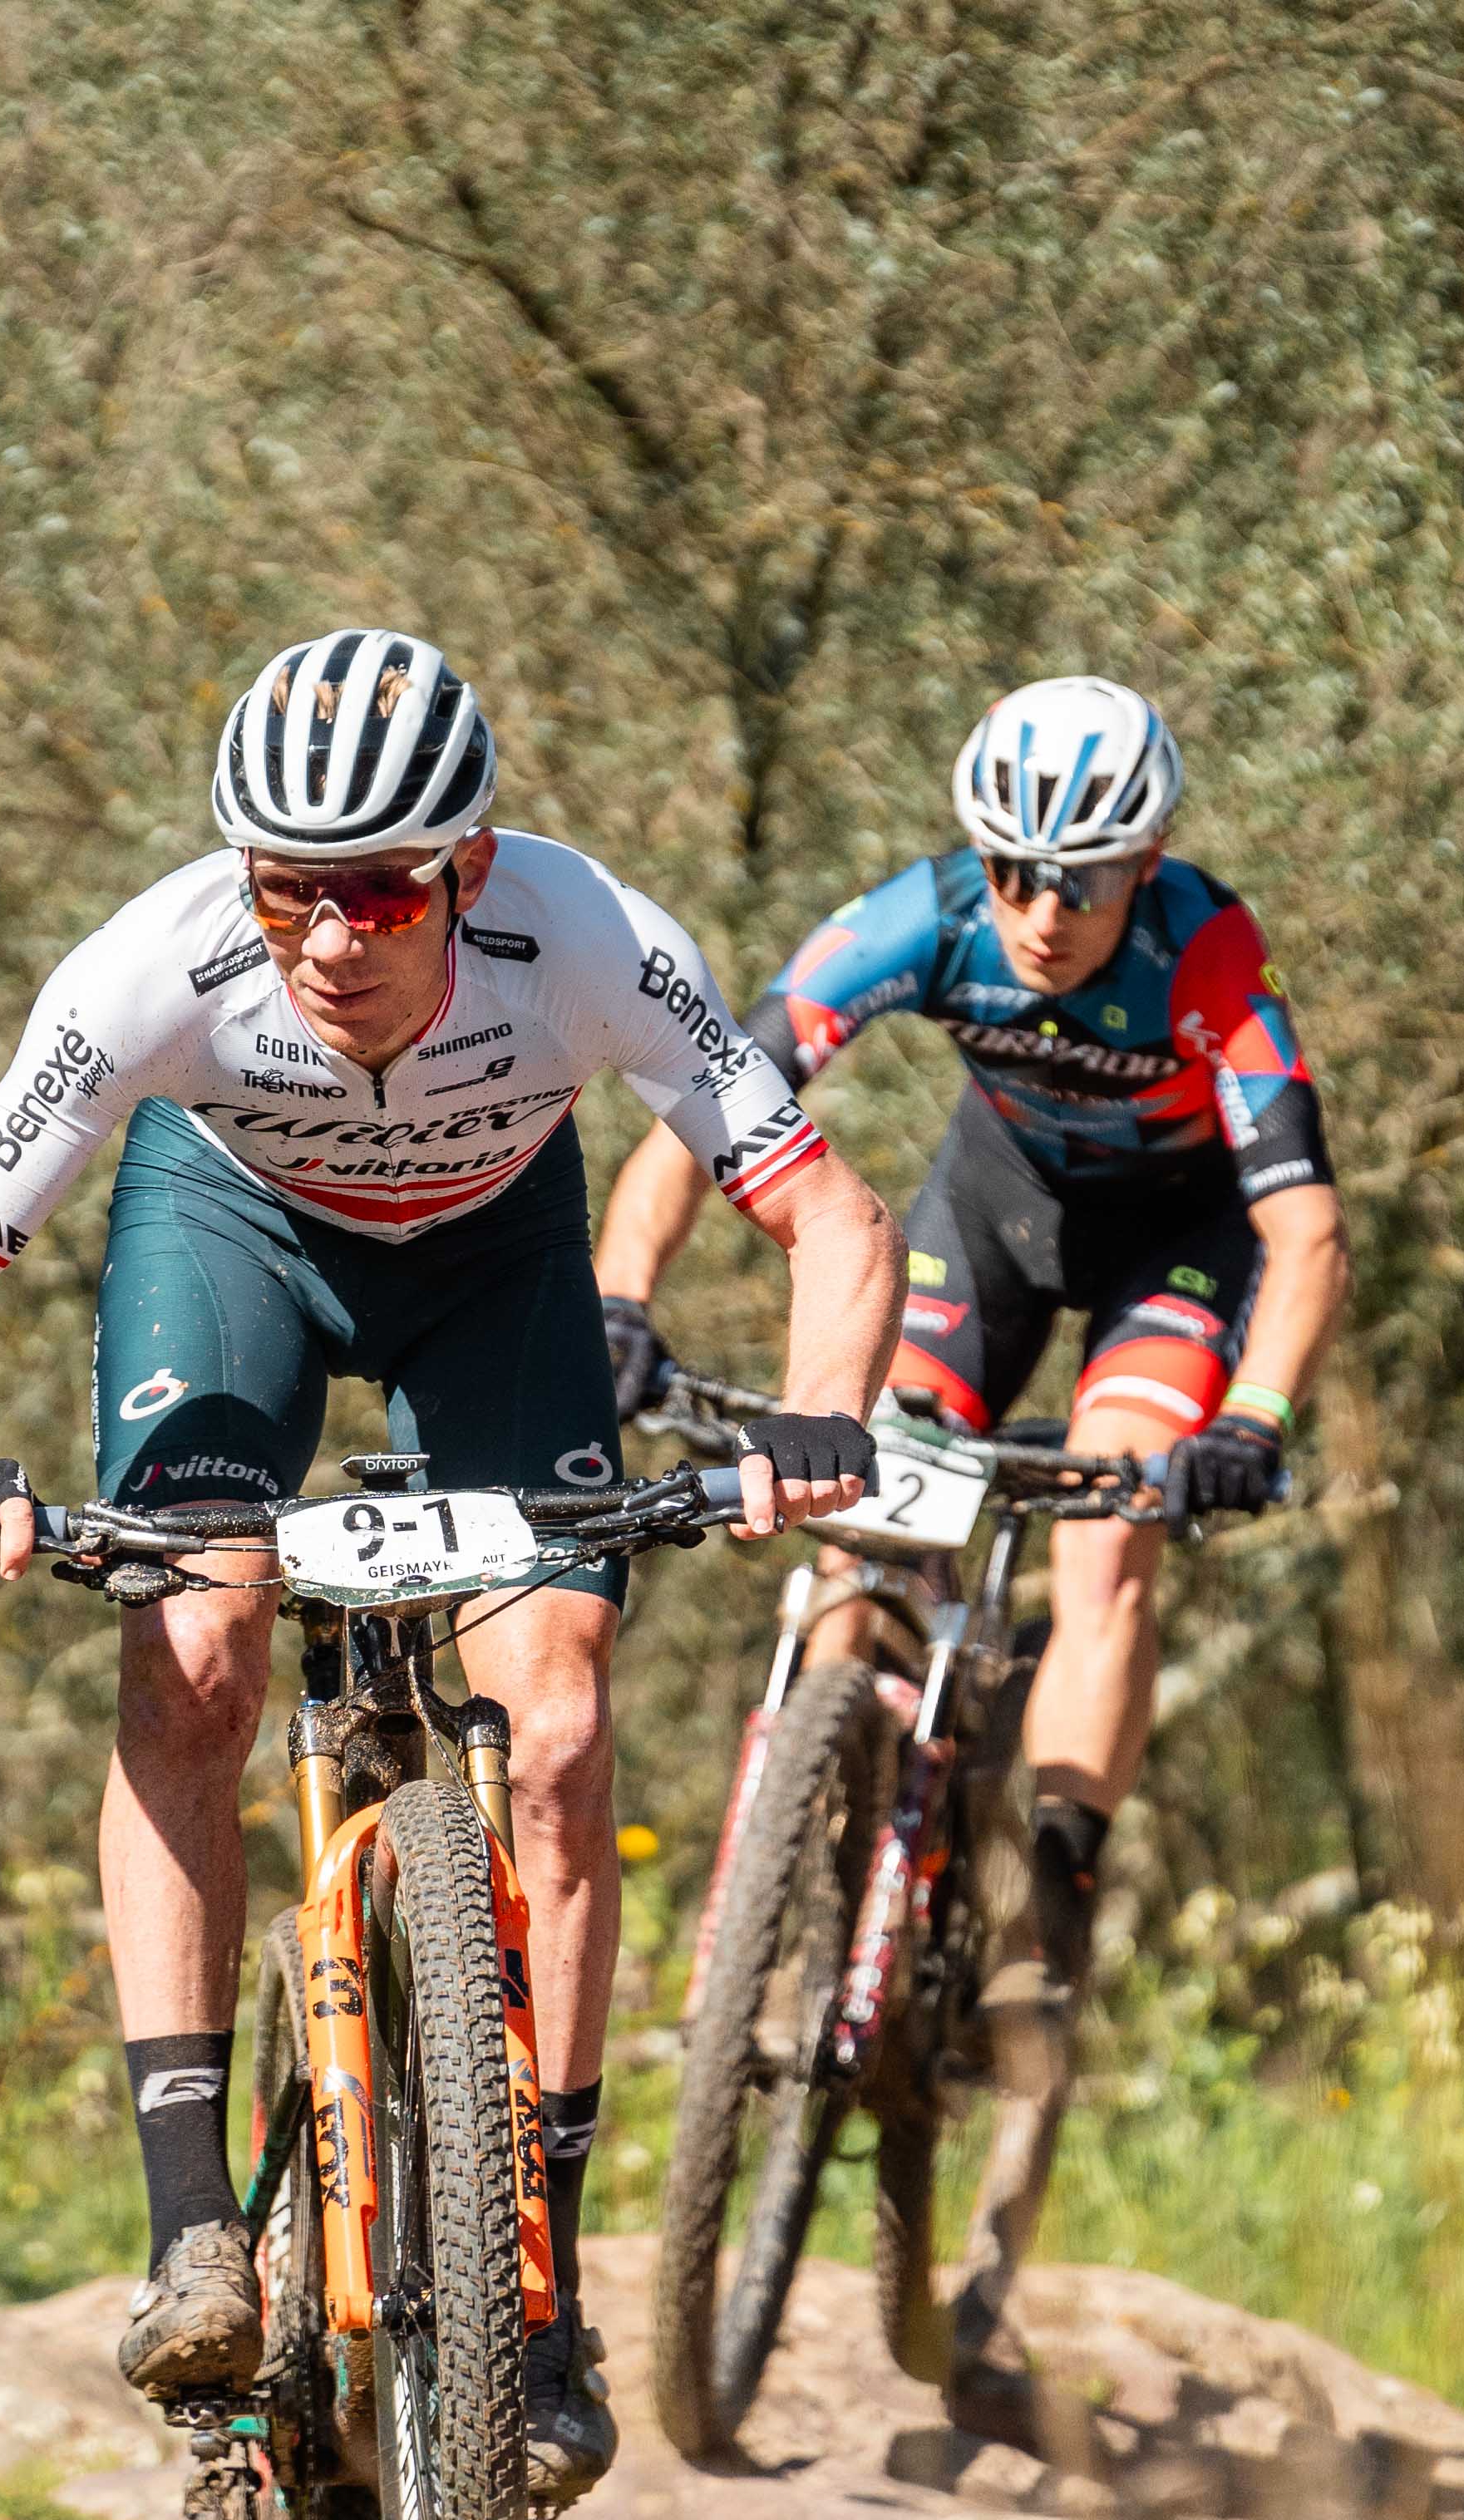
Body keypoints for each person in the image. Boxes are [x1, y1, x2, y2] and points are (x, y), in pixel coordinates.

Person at [0, 628, 905, 2511]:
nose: (330, 935)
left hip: (499, 1270)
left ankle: (541, 2293)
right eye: (286, 888)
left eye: (383, 890)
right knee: (196, 1645)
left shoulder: (589, 942)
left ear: (469, 871)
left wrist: (823, 1415)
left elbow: (829, 1210)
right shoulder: (151, 971)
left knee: (558, 1716)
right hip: (230, 1237)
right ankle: (191, 2232)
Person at [592, 674, 1347, 2375]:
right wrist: (618, 1291)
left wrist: (1256, 1421)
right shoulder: (921, 919)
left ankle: (1056, 1880)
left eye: (1078, 881)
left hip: (1173, 1260)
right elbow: (709, 1087)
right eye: (1012, 871)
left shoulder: (1206, 960)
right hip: (985, 1232)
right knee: (860, 1507)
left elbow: (1302, 1238)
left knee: (1106, 1531)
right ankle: (831, 1787)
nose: (1038, 911)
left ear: (1141, 862)